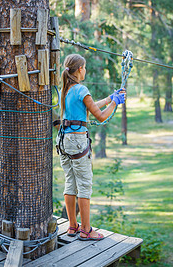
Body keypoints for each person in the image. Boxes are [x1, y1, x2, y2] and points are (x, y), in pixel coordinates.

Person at [56, 53, 126, 241]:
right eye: (84, 67)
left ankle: (73, 226)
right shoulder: (81, 89)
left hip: (63, 140)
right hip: (78, 142)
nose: (85, 70)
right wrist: (115, 103)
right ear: (80, 69)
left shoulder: (67, 89)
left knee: (70, 182)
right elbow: (101, 116)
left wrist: (110, 98)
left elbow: (91, 106)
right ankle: (86, 230)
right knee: (84, 185)